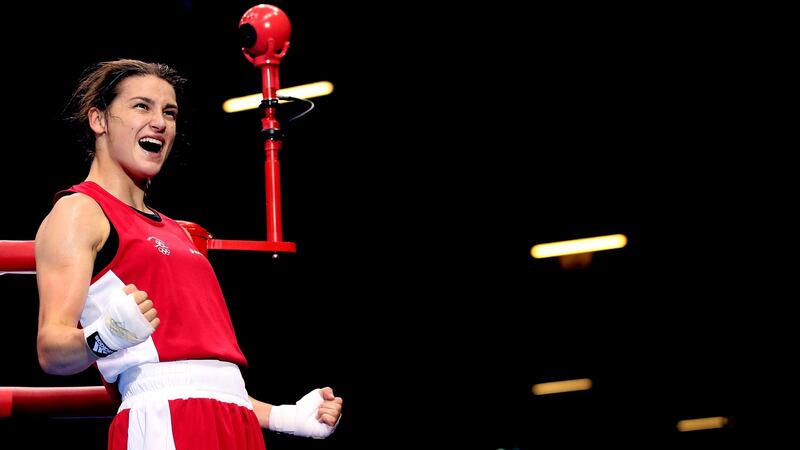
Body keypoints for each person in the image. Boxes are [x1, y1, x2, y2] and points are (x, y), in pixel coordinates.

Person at [34, 58, 342, 450]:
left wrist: (285, 415)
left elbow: (202, 378)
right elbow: (52, 350)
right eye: (141, 106)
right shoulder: (79, 211)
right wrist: (106, 336)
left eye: (169, 112)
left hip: (233, 420)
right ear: (99, 120)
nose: (160, 122)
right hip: (162, 420)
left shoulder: (179, 232)